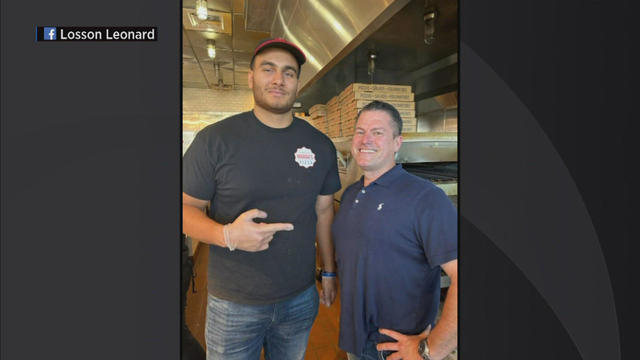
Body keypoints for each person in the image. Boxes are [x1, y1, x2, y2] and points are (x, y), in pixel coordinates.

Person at [182, 38, 341, 360]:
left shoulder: (320, 145)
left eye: (289, 72)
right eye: (268, 69)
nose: (278, 79)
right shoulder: (215, 140)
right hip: (234, 304)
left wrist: (328, 271)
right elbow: (185, 208)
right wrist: (226, 235)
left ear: (298, 82)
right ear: (251, 77)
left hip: (299, 299)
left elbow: (324, 212)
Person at [332, 100, 458, 360]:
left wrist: (431, 349)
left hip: (398, 351)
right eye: (360, 131)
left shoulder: (426, 198)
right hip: (354, 343)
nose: (365, 139)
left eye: (377, 132)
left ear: (397, 143)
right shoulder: (351, 194)